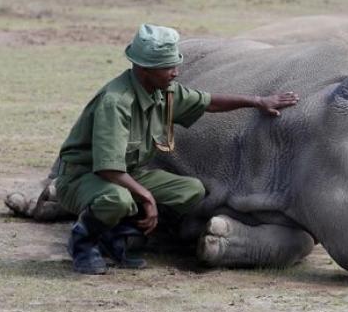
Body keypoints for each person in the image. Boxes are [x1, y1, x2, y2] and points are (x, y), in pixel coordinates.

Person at [56, 24, 299, 274]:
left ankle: (117, 234)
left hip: (128, 173)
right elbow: (108, 168)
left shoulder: (163, 93)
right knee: (117, 198)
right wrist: (147, 197)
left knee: (190, 190)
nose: (175, 72)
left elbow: (209, 103)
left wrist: (258, 101)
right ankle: (82, 242)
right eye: (168, 67)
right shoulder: (116, 102)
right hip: (84, 176)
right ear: (144, 69)